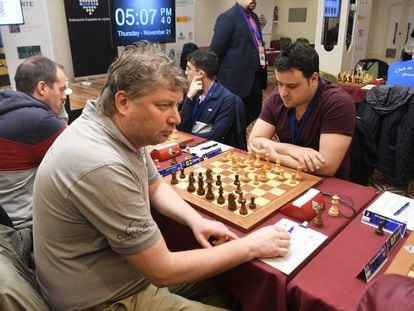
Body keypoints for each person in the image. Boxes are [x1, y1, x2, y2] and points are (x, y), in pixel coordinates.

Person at [33, 41, 291, 311]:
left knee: (228, 283)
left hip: (120, 277)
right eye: (164, 106)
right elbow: (163, 270)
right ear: (123, 102)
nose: (176, 119)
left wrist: (195, 220)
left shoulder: (114, 129)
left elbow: (154, 185)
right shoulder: (101, 163)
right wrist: (252, 245)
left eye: (177, 105)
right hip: (105, 300)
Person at [248, 42, 356, 180]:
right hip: (286, 177)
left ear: (313, 79)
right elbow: (253, 141)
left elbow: (327, 166)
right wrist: (292, 149)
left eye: (292, 86)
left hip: (326, 184)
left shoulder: (338, 102)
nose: (283, 93)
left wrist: (274, 155)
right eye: (279, 83)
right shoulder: (277, 98)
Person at [0, 55, 67, 229]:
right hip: (23, 230)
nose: (64, 96)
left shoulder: (7, 105)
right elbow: (80, 160)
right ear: (42, 88)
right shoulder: (40, 122)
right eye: (61, 89)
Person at [210, 0, 267, 126]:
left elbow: (257, 44)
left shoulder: (255, 17)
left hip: (255, 77)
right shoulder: (228, 18)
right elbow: (215, 52)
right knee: (234, 118)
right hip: (234, 82)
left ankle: (237, 136)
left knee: (254, 111)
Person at [176, 49, 237, 144]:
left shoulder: (226, 99)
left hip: (208, 148)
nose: (186, 72)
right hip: (187, 144)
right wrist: (189, 98)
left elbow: (216, 135)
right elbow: (181, 128)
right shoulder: (192, 91)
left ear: (200, 74)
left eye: (188, 68)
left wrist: (187, 138)